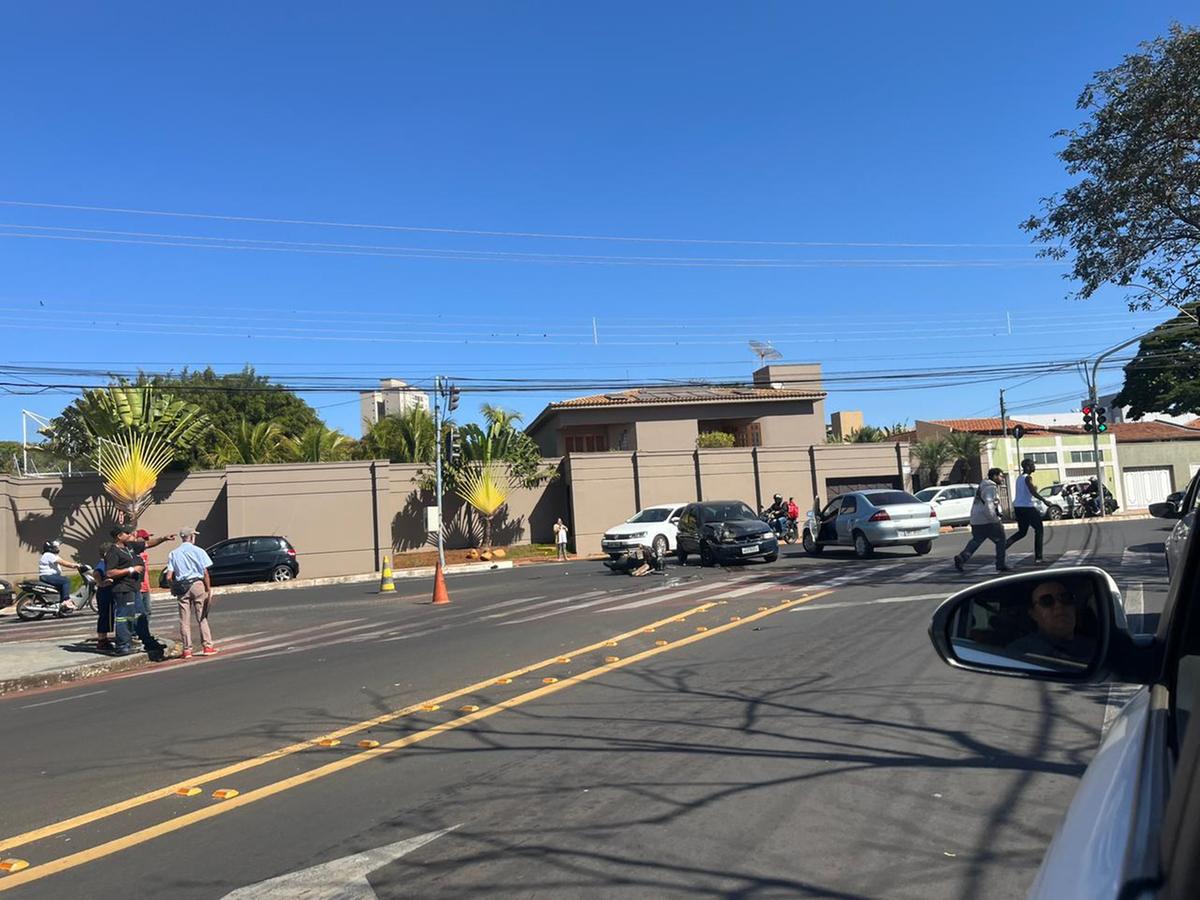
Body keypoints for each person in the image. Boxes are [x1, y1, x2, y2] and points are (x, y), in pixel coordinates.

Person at [1009, 579, 1097, 664]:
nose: (1059, 606)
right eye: (1046, 601)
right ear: (1033, 614)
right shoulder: (1021, 651)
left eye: (1066, 598)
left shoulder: (1096, 647)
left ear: (1074, 607)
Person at [165, 527, 216, 659]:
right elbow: (205, 572)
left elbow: (169, 576)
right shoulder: (199, 551)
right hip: (197, 584)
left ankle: (187, 650)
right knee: (202, 617)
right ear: (192, 537)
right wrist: (208, 588)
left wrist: (172, 588)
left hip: (182, 587)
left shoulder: (174, 553)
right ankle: (207, 646)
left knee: (184, 620)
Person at [954, 468, 1009, 573]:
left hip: (976, 519)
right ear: (994, 476)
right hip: (988, 520)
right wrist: (994, 519)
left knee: (977, 540)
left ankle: (962, 557)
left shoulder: (983, 485)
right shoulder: (990, 488)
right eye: (1001, 476)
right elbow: (988, 505)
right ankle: (1000, 564)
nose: (1002, 479)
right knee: (1001, 540)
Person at [104, 525, 148, 657]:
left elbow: (147, 544)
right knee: (124, 618)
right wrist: (131, 570)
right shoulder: (113, 552)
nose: (130, 534)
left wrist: (163, 539)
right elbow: (110, 572)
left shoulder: (129, 547)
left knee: (140, 616)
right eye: (127, 533)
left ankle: (146, 641)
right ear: (119, 536)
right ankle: (122, 646)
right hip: (123, 589)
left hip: (134, 588)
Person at [1006, 459, 1049, 563]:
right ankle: (1038, 558)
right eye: (1033, 465)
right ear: (1027, 467)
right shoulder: (1027, 478)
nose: (1035, 466)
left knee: (1022, 532)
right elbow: (1032, 491)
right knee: (1039, 529)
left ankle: (1002, 547)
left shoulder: (1019, 478)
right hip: (1027, 508)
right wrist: (1044, 500)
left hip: (1018, 507)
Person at [38, 540, 81, 610]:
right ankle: (66, 600)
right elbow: (63, 562)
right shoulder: (48, 555)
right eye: (55, 547)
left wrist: (75, 565)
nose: (57, 548)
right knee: (66, 581)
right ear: (50, 548)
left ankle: (60, 606)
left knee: (62, 586)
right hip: (48, 576)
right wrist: (74, 565)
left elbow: (62, 560)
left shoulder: (51, 555)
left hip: (48, 576)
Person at [93, 542, 116, 654]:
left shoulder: (107, 563)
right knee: (105, 616)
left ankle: (104, 639)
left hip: (107, 592)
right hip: (105, 593)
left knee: (107, 616)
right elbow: (96, 573)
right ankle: (102, 640)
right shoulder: (103, 563)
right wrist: (101, 583)